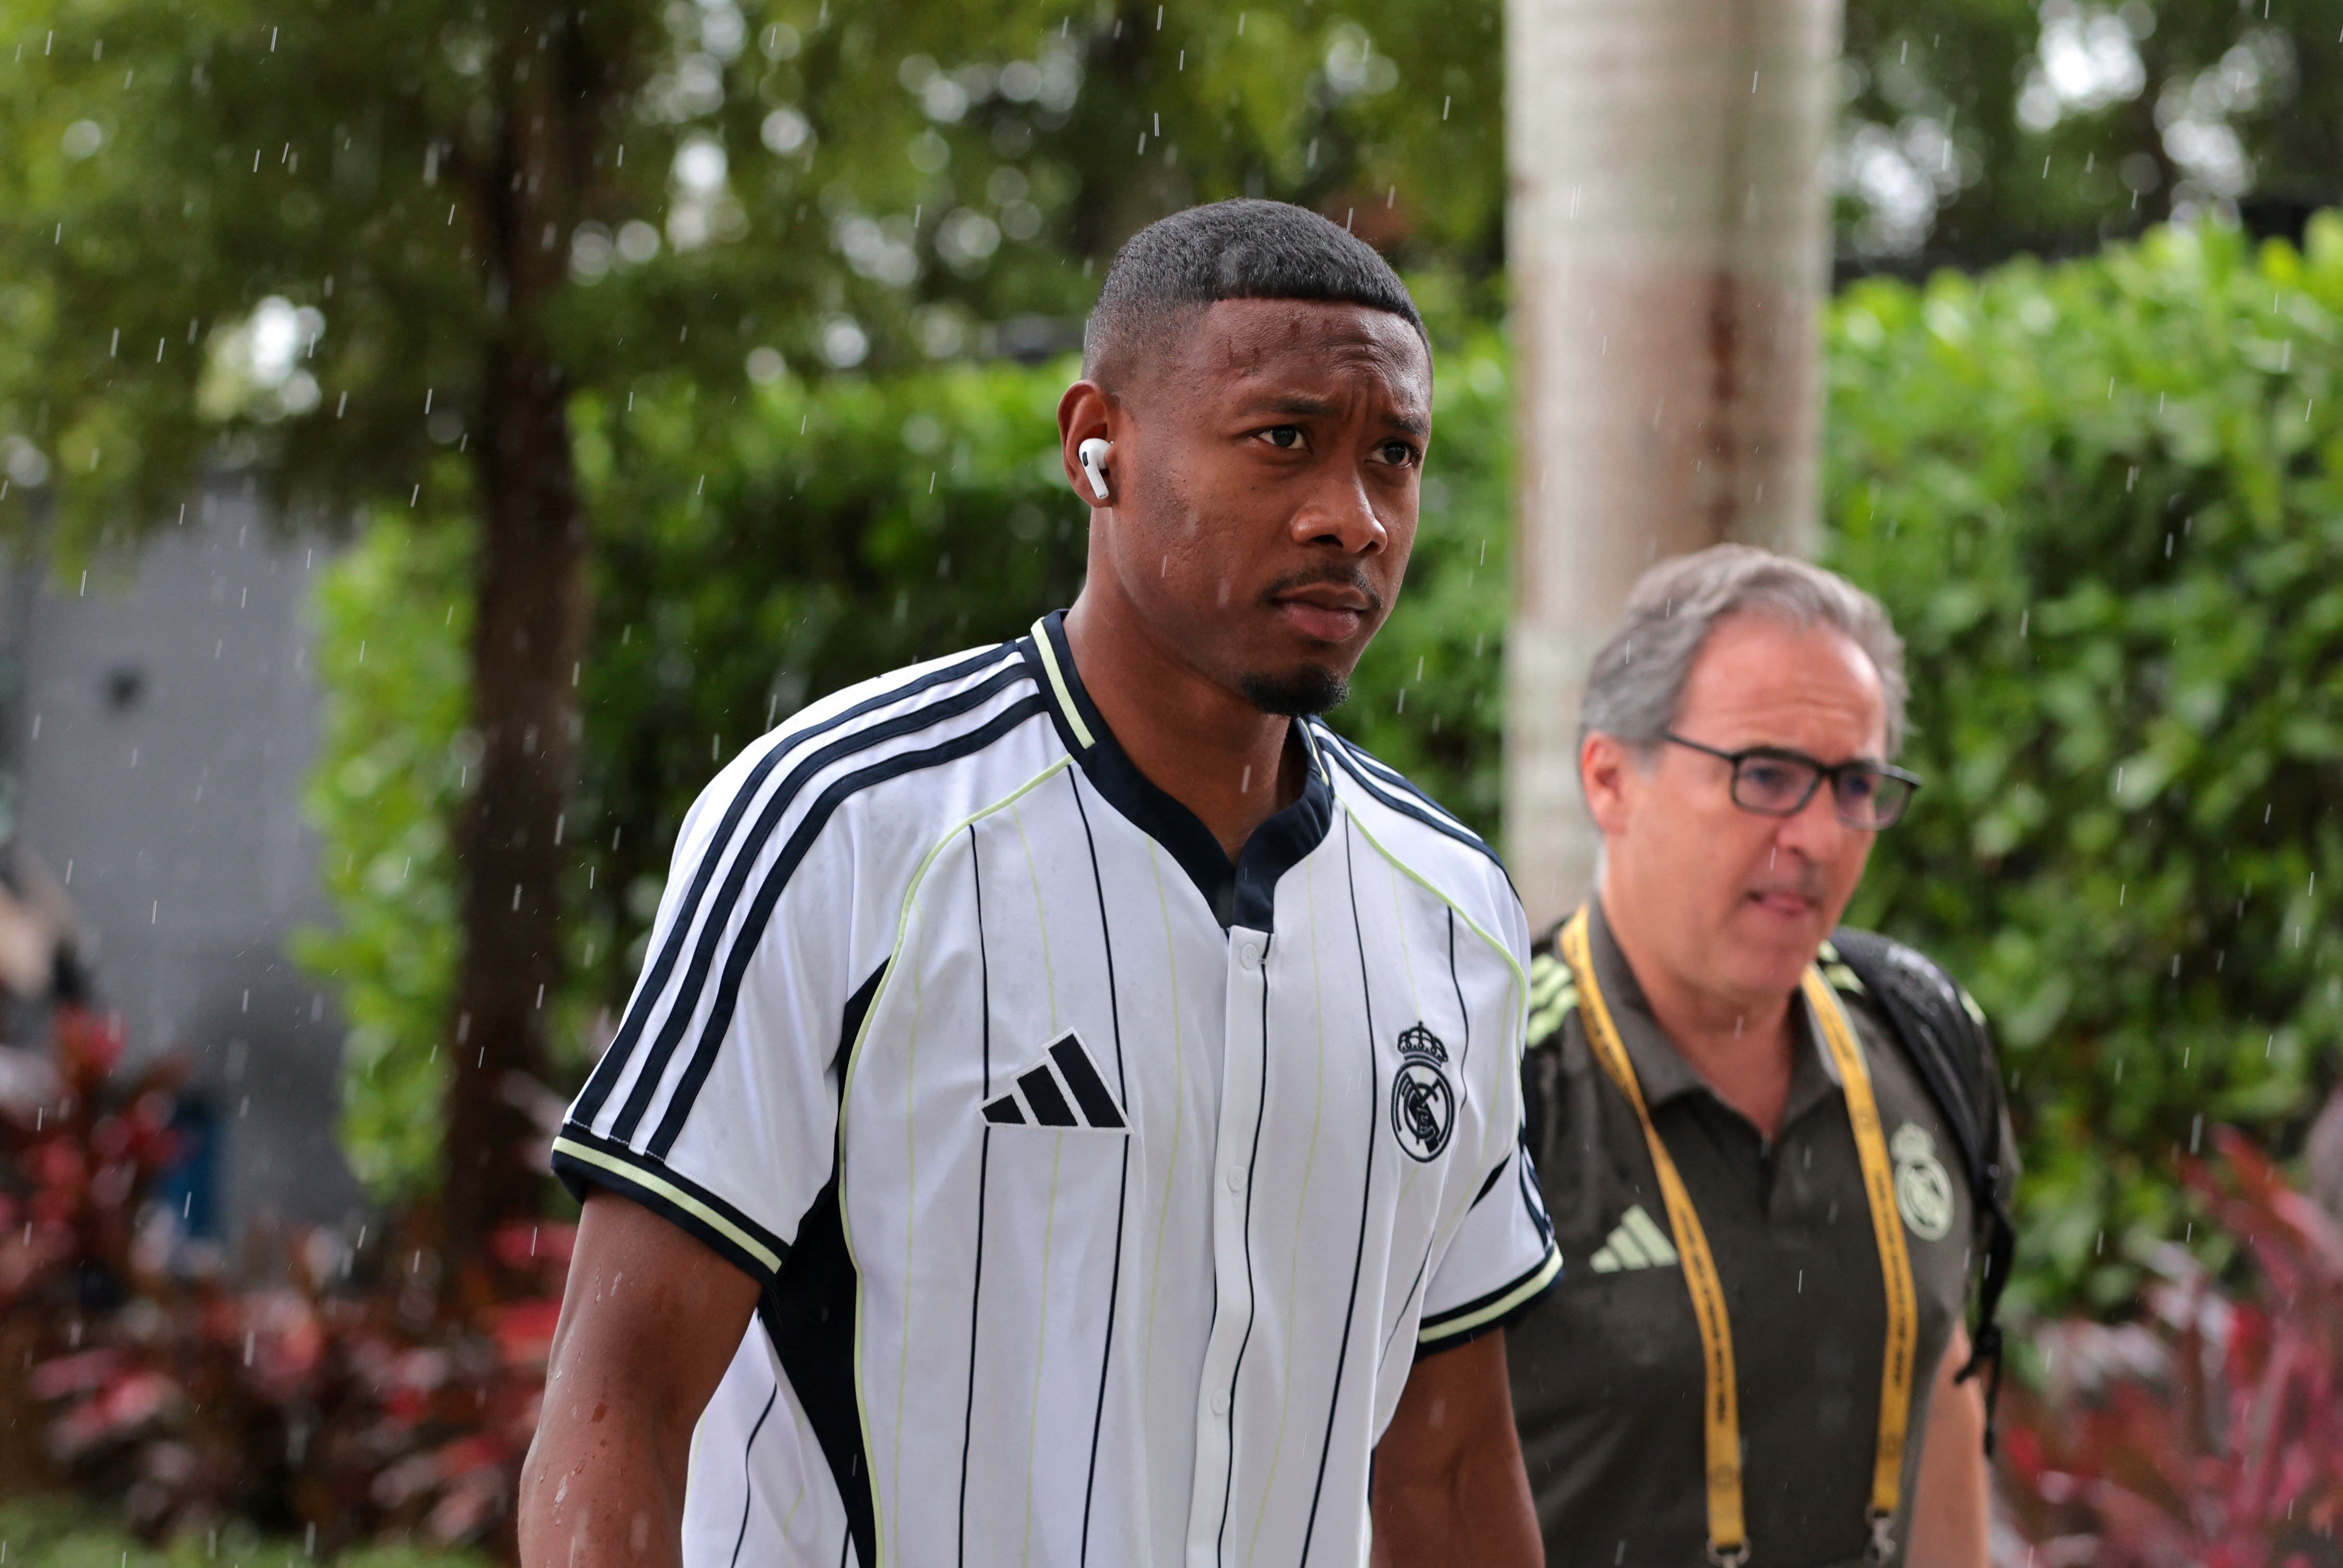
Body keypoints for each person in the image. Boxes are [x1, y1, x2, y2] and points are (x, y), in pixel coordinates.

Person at [518, 200, 1558, 1568]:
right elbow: (619, 1409)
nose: (1350, 518)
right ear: (1095, 445)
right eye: (1282, 438)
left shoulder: (1451, 909)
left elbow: (1447, 1463)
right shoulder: (842, 823)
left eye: (1394, 455)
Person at [1507, 545, 2017, 1568]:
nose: (1820, 836)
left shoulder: (1924, 1040)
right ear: (1610, 778)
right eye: (1766, 775)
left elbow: (1939, 1381)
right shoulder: (1496, 1078)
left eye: (1855, 785)